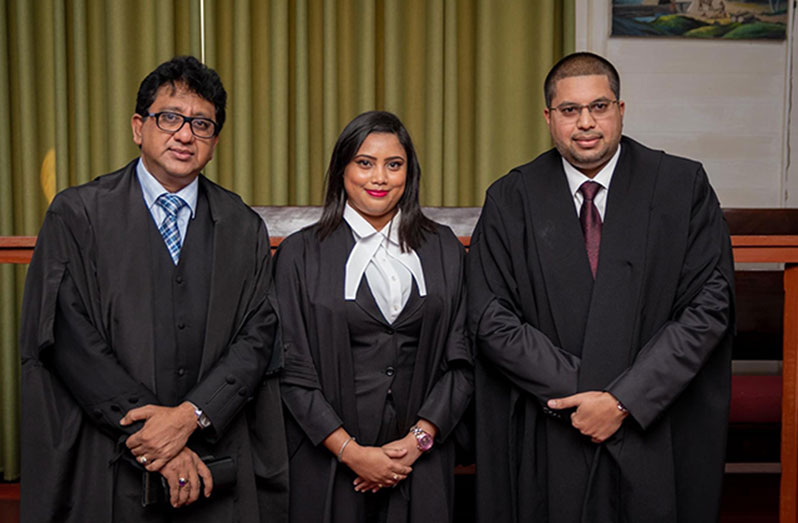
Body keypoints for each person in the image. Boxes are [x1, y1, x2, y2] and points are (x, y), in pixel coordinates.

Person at [468, 52, 735, 523]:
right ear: (549, 118)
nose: (586, 123)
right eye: (570, 110)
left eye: (599, 107)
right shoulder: (511, 198)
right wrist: (586, 397)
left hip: (655, 418)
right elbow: (491, 317)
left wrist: (624, 400)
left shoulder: (680, 186)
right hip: (554, 422)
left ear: (621, 110)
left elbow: (709, 305)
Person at [19, 56, 287, 522]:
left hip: (214, 455)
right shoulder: (78, 215)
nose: (185, 135)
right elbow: (68, 336)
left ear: (215, 141)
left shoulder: (243, 227)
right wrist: (157, 439)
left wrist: (190, 416)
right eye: (170, 118)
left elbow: (257, 335)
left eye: (201, 124)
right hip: (107, 456)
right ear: (139, 127)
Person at [275, 110, 473, 522]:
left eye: (393, 164)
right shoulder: (299, 254)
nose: (379, 178)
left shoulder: (445, 250)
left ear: (409, 172)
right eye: (365, 163)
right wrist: (352, 452)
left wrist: (419, 440)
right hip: (328, 462)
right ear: (342, 169)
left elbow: (465, 358)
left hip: (422, 461)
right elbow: (292, 369)